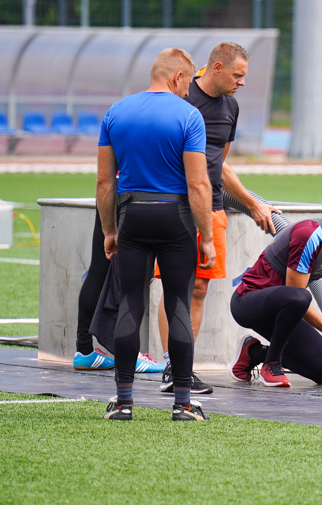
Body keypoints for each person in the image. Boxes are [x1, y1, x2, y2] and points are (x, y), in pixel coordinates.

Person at [97, 47, 215, 421]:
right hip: (175, 219)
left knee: (132, 304)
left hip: (132, 217)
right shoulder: (188, 116)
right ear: (179, 78)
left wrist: (109, 230)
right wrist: (208, 237)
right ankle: (182, 403)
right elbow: (198, 185)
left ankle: (123, 402)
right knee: (177, 303)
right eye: (186, 85)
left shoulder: (116, 112)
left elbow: (104, 182)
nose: (187, 92)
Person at [156, 42, 279, 396]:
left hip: (212, 208)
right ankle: (170, 365)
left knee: (199, 288)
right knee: (175, 288)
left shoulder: (231, 108)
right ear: (217, 67)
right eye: (238, 75)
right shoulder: (181, 94)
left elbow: (218, 164)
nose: (242, 82)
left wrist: (255, 204)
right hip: (175, 206)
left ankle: (182, 366)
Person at [228, 184, 322, 387]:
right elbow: (295, 295)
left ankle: (254, 353)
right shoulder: (309, 234)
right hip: (248, 303)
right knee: (301, 297)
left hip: (285, 313)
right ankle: (271, 365)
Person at [71, 210, 166, 373]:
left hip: (111, 196)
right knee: (134, 273)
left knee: (98, 270)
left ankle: (84, 349)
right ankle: (130, 355)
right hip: (137, 197)